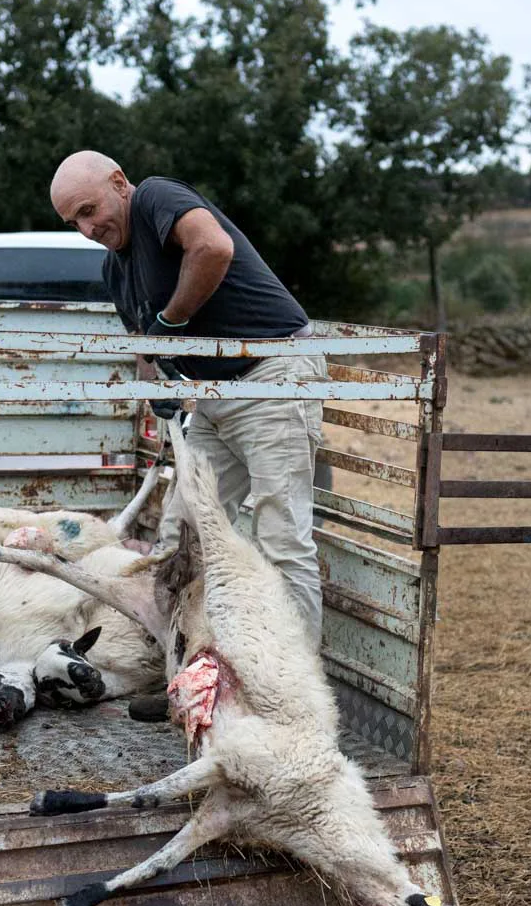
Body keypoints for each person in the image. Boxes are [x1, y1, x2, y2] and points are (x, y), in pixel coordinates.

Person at [48, 150, 327, 640]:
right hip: (214, 394)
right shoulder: (115, 269)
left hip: (274, 375)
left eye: (89, 211)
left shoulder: (157, 196)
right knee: (181, 533)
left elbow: (213, 248)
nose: (87, 230)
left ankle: (292, 696)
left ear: (119, 182)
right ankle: (177, 663)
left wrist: (171, 323)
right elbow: (144, 341)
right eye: (74, 222)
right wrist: (154, 384)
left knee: (281, 537)